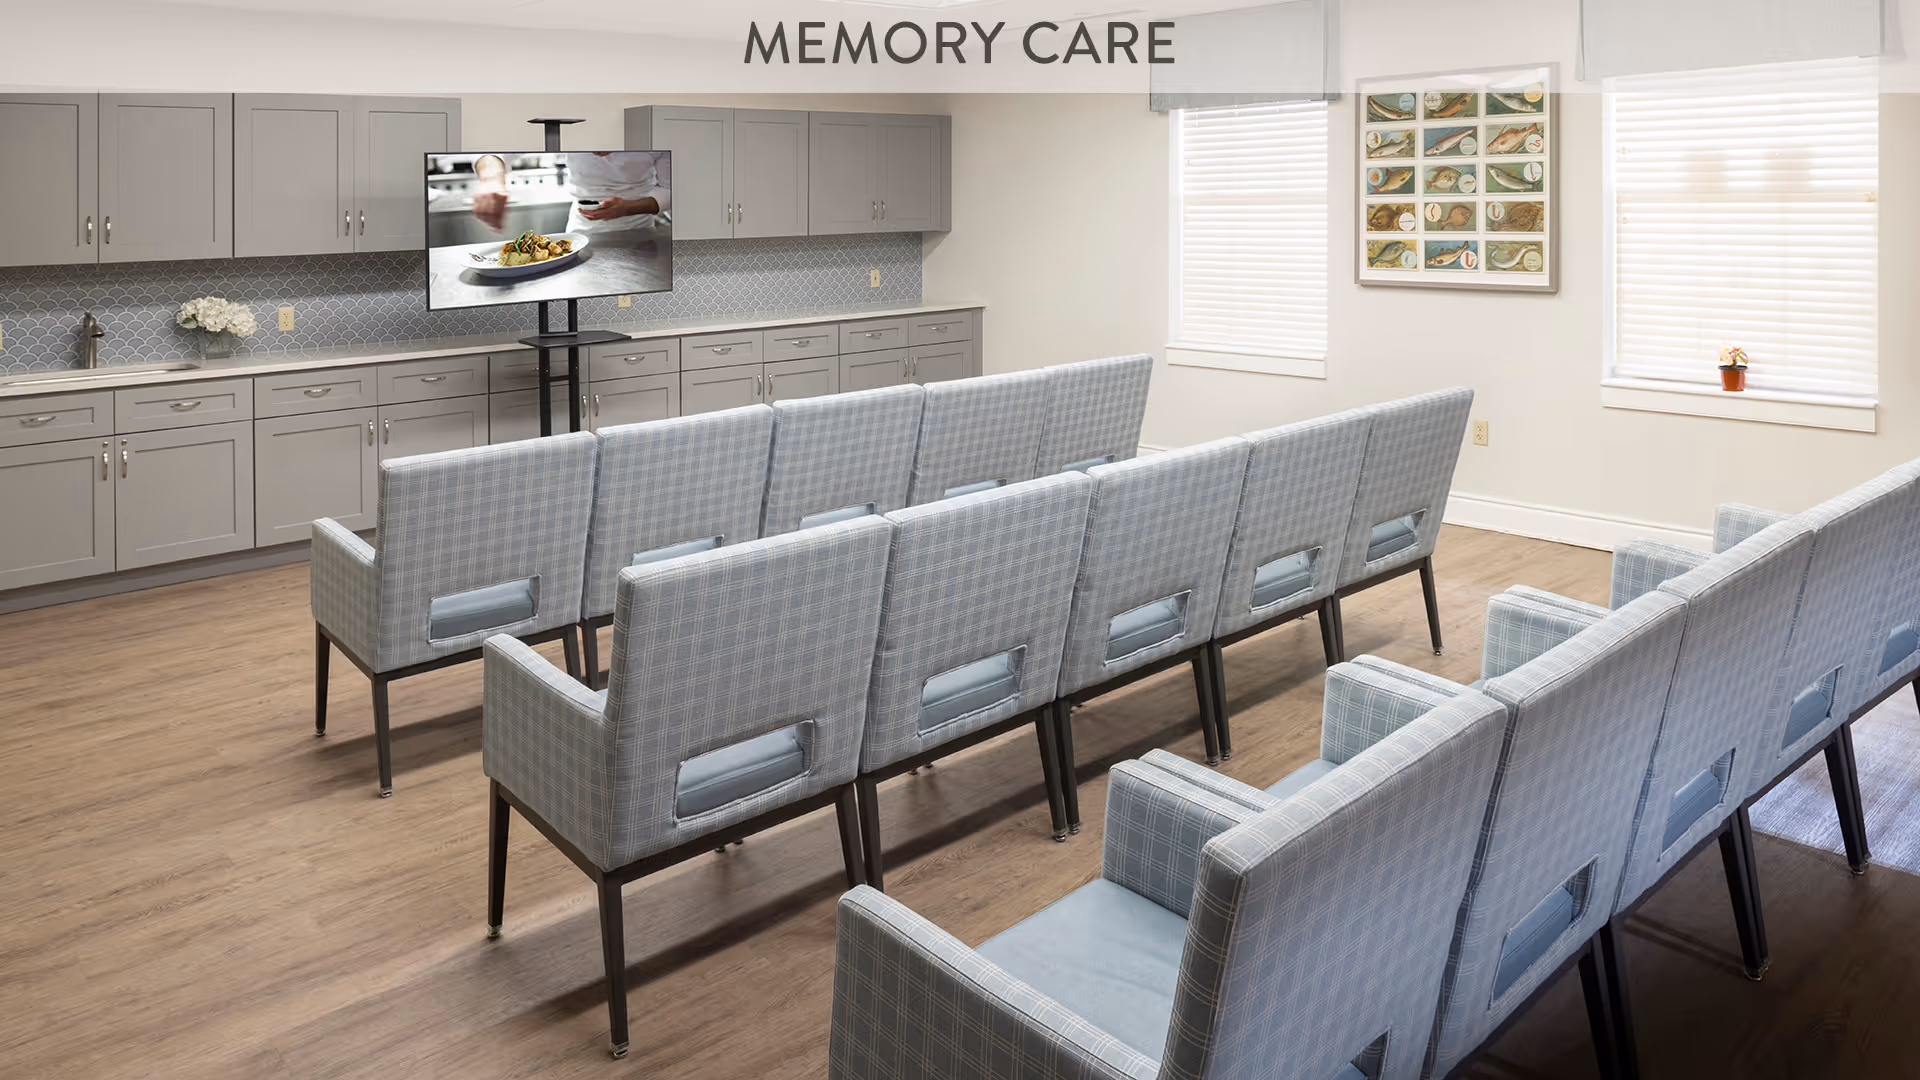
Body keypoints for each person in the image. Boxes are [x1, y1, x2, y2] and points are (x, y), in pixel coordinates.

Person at [467, 151, 671, 234]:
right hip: (581, 231)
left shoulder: (654, 130)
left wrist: (627, 208)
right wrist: (492, 181)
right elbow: (491, 152)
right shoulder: (568, 122)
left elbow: (670, 190)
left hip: (638, 232)